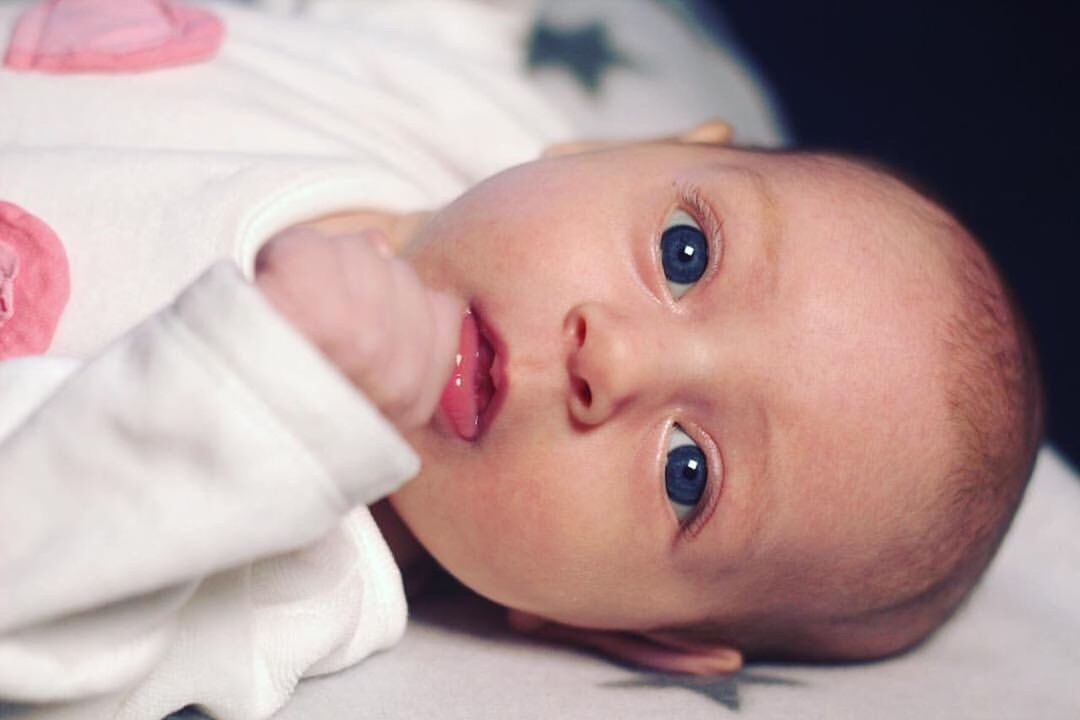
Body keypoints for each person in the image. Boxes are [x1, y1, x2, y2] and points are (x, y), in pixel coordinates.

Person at [0, 0, 1042, 718]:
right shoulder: (448, 103)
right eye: (685, 254)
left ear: (624, 634)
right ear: (605, 151)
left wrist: (275, 394)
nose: (618, 361)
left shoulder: (290, 575)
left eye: (690, 473)